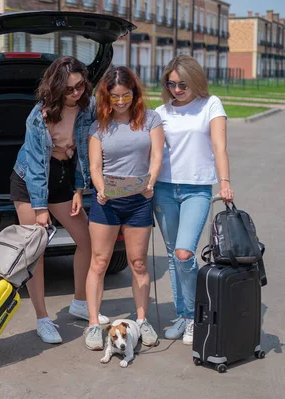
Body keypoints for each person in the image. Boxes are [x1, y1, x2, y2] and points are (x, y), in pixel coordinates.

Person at [11, 56, 109, 344]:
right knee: (36, 253)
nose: (76, 93)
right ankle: (43, 319)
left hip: (63, 179)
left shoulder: (86, 107)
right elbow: (36, 165)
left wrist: (79, 189)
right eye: (69, 89)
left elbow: (83, 151)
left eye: (80, 86)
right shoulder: (38, 117)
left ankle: (80, 303)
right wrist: (41, 209)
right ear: (55, 89)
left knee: (88, 240)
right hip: (30, 183)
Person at [153, 55, 234, 345]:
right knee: (175, 256)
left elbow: (218, 146)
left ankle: (195, 311)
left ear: (195, 80)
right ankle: (186, 316)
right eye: (171, 84)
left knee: (185, 254)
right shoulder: (160, 112)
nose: (176, 89)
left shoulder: (210, 104)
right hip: (163, 189)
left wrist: (224, 182)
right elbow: (153, 154)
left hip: (197, 189)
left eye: (182, 84)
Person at [83, 66, 165, 351]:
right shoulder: (98, 126)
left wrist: (151, 182)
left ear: (135, 93)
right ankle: (94, 324)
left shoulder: (151, 119)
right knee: (99, 262)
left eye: (126, 95)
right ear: (106, 96)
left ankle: (141, 320)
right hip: (106, 203)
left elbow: (156, 156)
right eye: (115, 96)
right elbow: (95, 166)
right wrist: (100, 187)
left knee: (139, 263)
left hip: (139, 201)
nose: (120, 102)